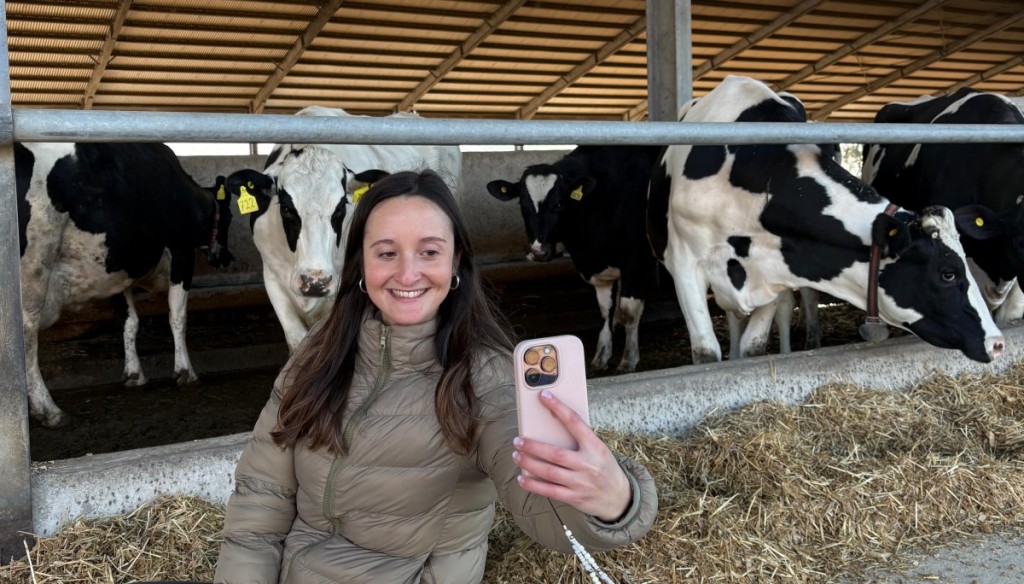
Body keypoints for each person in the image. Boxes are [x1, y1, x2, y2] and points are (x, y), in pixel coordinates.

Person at [214, 169, 658, 583]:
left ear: (456, 263)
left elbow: (543, 509)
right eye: (386, 253)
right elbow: (260, 498)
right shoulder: (317, 352)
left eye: (429, 252)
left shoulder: (486, 377)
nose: (408, 273)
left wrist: (613, 501)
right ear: (361, 265)